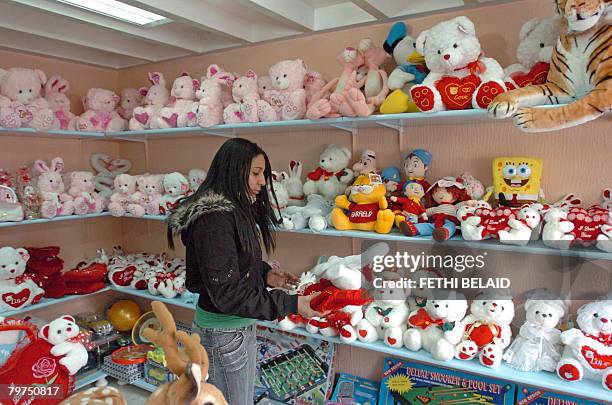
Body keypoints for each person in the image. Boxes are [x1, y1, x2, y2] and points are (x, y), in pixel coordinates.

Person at [167, 138, 325, 405]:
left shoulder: (230, 211)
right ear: (232, 171)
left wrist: (265, 274)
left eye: (262, 173)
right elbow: (227, 292)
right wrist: (293, 304)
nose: (263, 182)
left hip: (234, 329)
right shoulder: (214, 220)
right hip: (224, 334)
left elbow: (232, 263)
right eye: (255, 173)